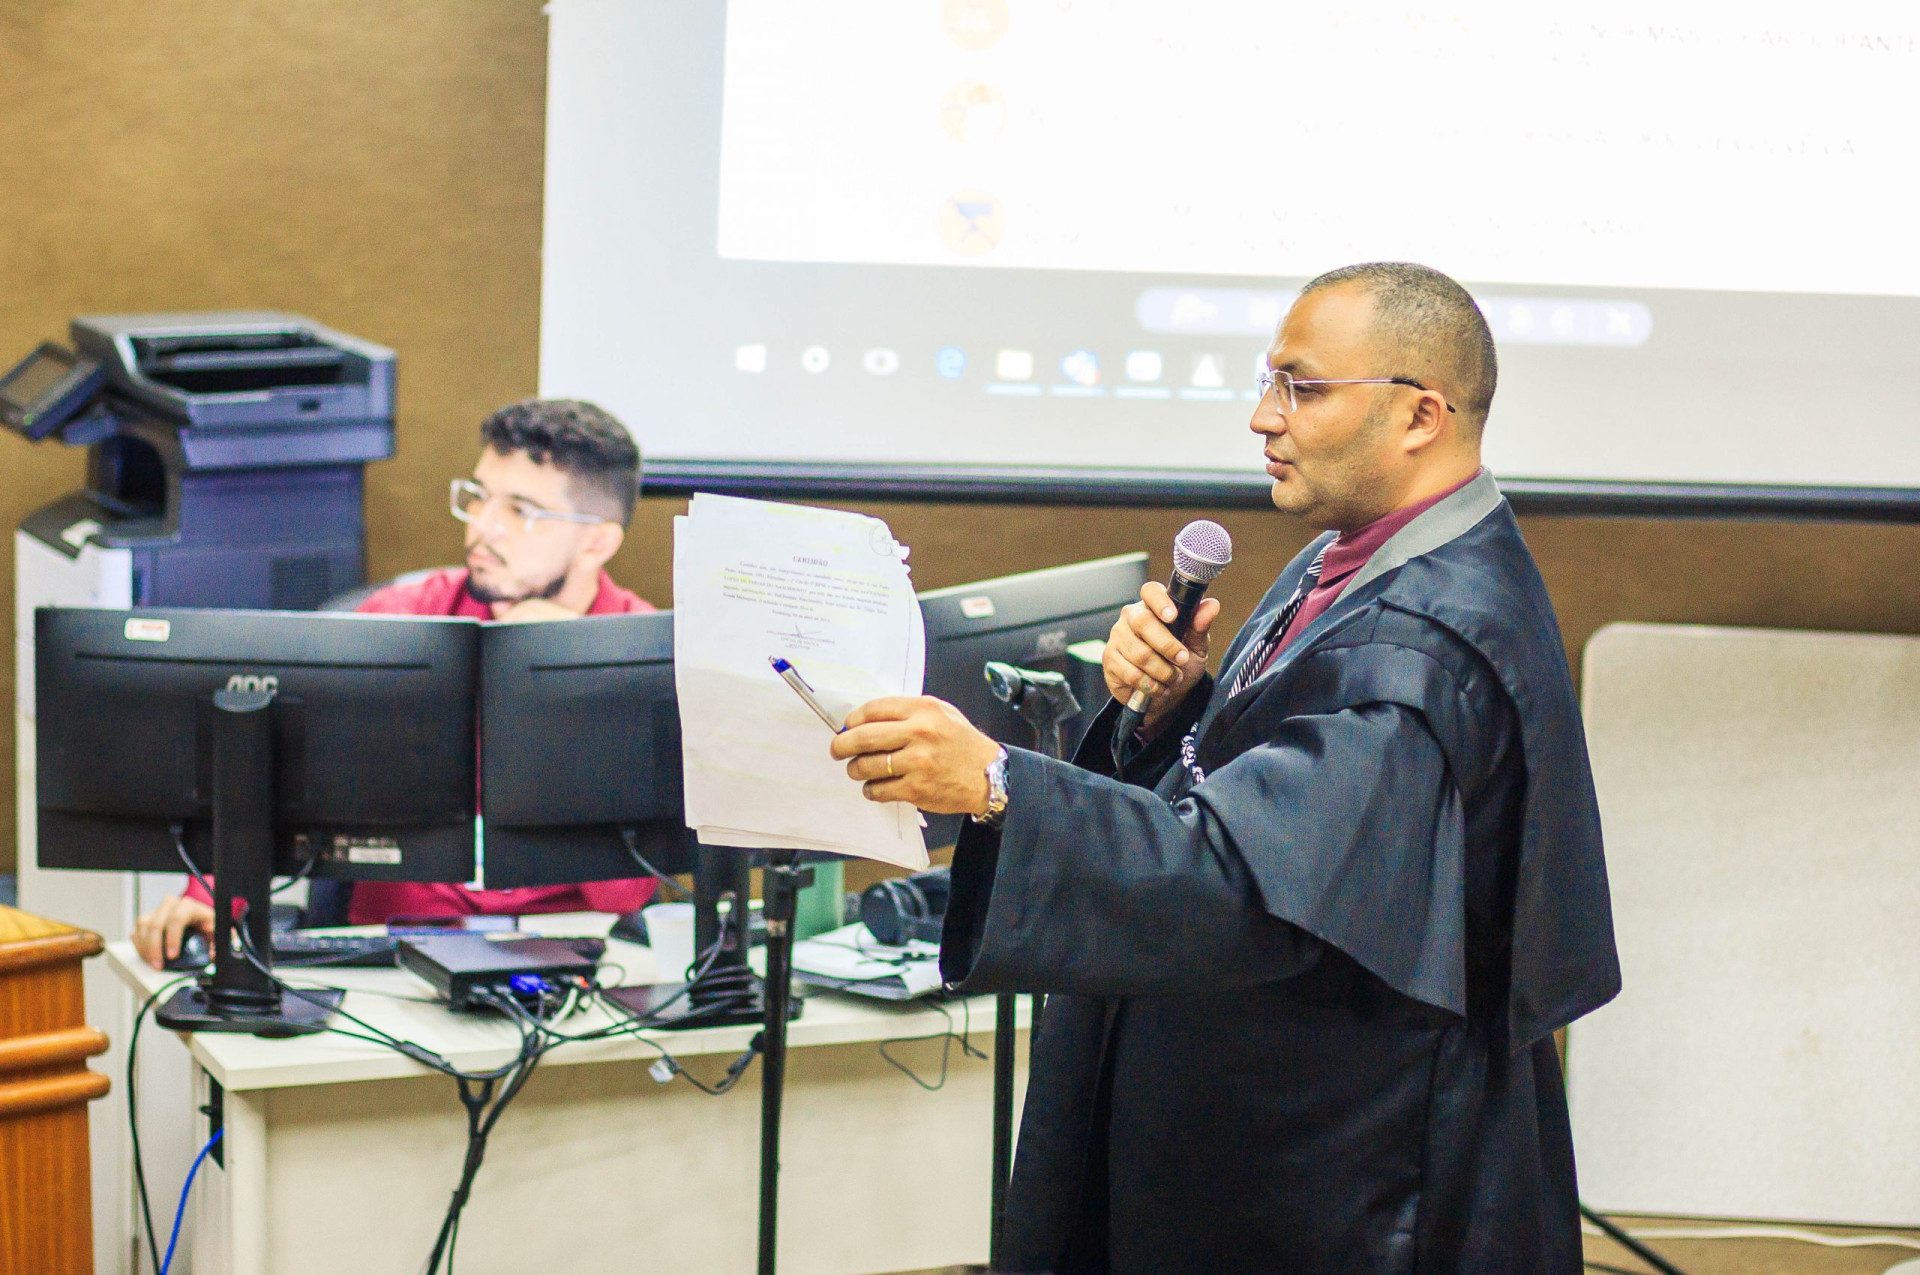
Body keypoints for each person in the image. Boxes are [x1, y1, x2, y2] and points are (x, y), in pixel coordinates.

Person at [830, 263, 1620, 1272]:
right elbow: (1277, 799)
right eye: (1266, 381)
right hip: (1271, 1128)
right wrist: (1176, 709)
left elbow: (1241, 884)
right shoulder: (1354, 559)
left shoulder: (1430, 645)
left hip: (1340, 1175)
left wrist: (999, 783)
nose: (1263, 417)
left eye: (1301, 387)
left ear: (1421, 415)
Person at [133, 398, 661, 969]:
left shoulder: (642, 655)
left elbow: (624, 894)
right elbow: (273, 768)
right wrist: (212, 895)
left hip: (565, 952)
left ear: (597, 542)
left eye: (521, 511)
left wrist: (563, 693)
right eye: (480, 496)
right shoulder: (405, 621)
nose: (481, 526)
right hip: (393, 954)